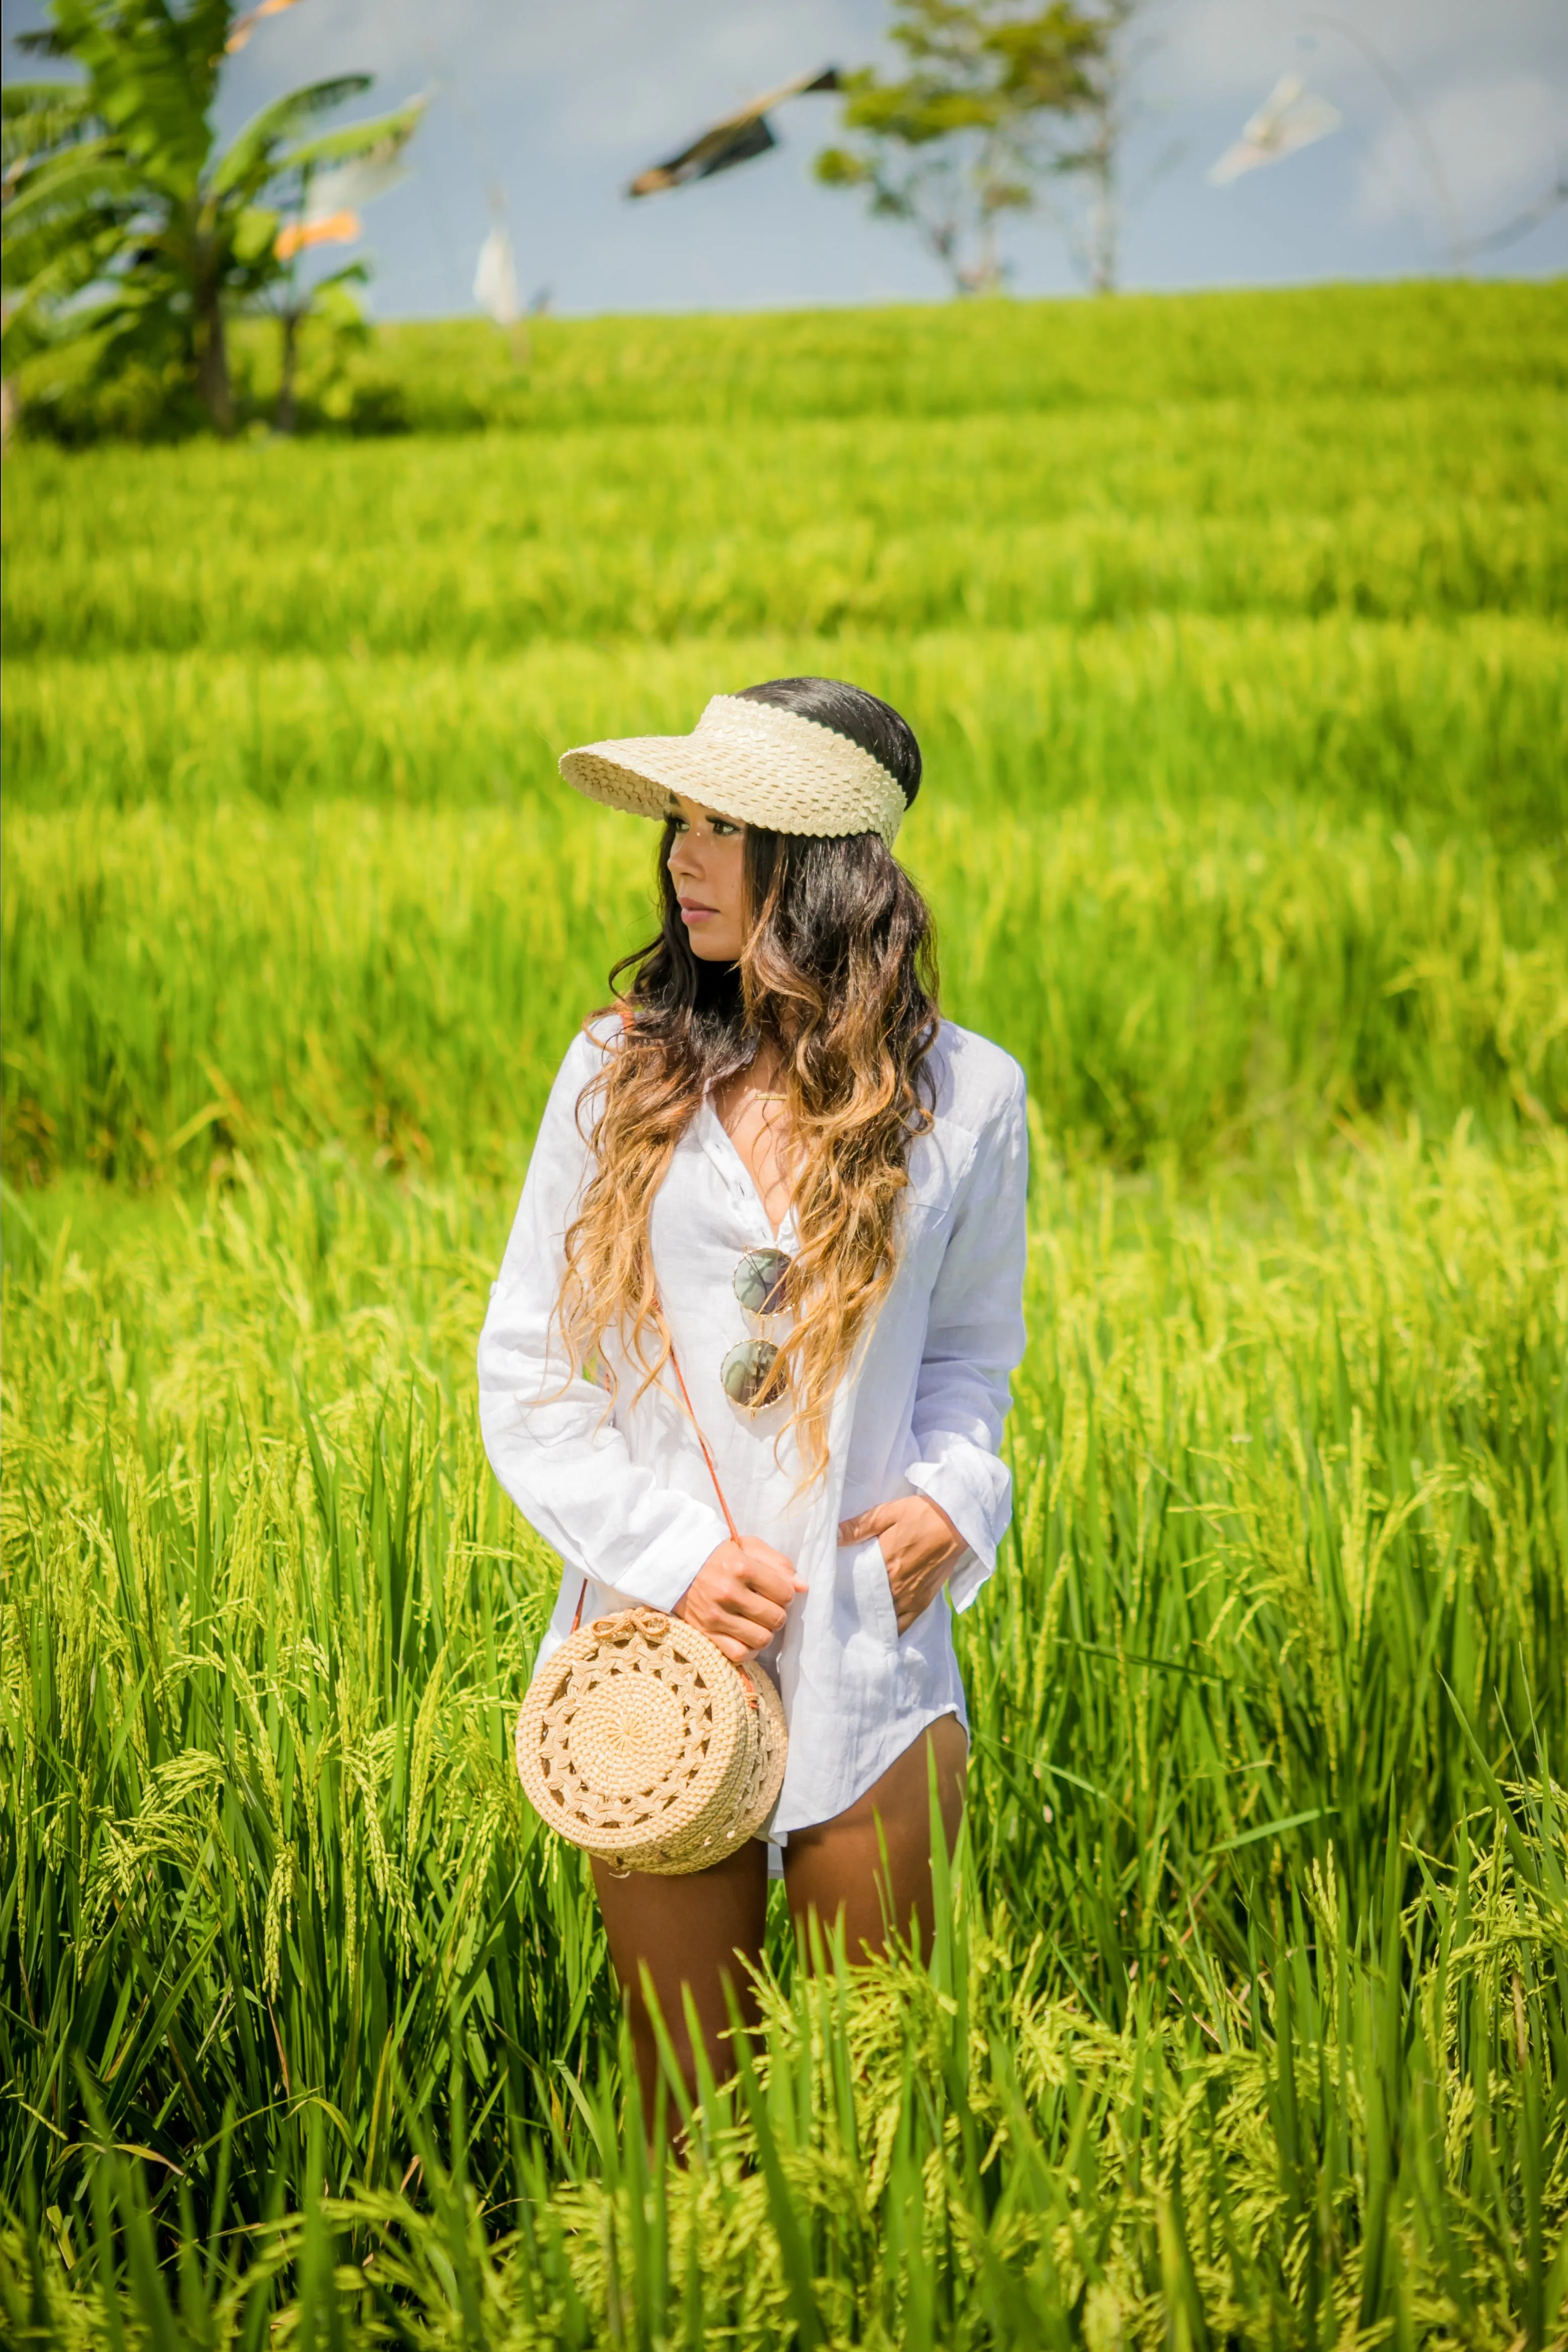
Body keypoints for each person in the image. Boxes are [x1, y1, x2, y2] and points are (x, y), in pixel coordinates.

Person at [478, 677, 1027, 2107]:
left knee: (871, 2110)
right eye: (679, 821)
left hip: (874, 1653)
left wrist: (958, 1501)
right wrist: (672, 1562)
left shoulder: (970, 1098)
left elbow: (973, 1354)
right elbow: (529, 1369)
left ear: (823, 863)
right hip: (657, 1664)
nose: (679, 856)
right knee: (684, 2113)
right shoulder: (616, 1072)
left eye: (724, 825)